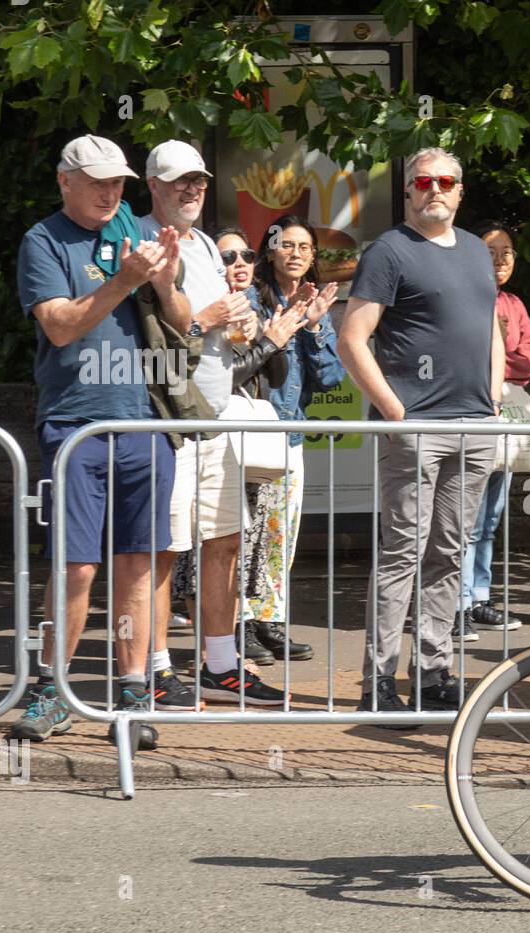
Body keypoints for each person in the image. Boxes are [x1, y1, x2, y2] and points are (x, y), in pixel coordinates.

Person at [11, 135, 188, 744]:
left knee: (137, 563)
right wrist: (123, 279)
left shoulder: (139, 229)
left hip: (145, 421)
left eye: (117, 182)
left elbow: (184, 324)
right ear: (66, 181)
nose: (111, 193)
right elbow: (60, 327)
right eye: (97, 182)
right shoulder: (43, 240)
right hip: (77, 423)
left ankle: (133, 694)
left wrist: (162, 281)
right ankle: (51, 689)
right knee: (77, 567)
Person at [338, 147, 503, 718]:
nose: (435, 189)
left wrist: (496, 394)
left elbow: (491, 327)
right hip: (418, 426)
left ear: (460, 190)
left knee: (450, 553)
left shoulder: (479, 251)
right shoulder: (389, 251)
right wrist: (393, 409)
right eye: (423, 181)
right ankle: (378, 681)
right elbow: (352, 336)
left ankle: (433, 672)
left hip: (475, 425)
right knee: (402, 554)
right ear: (408, 191)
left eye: (446, 181)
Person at [137, 140, 292, 709]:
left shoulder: (203, 243)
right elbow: (157, 329)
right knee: (164, 549)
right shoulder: (140, 238)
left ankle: (221, 664)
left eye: (199, 179)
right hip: (169, 421)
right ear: (153, 184)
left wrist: (241, 326)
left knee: (224, 541)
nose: (193, 189)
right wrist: (209, 320)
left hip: (218, 416)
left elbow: (215, 329)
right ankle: (153, 669)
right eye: (180, 181)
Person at [169, 225, 314, 667]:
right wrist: (269, 340)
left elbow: (275, 376)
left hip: (252, 444)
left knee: (244, 550)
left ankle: (230, 646)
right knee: (205, 550)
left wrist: (274, 332)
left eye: (247, 257)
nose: (239, 266)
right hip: (214, 438)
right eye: (228, 259)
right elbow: (216, 379)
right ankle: (212, 652)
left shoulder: (256, 307)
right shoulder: (199, 311)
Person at [240, 214, 344, 662]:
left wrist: (316, 326)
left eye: (305, 247)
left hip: (290, 435)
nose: (296, 253)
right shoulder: (250, 298)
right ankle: (238, 623)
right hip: (249, 429)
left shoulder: (314, 303)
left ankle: (270, 621)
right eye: (287, 245)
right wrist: (275, 332)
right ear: (269, 250)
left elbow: (332, 379)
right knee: (246, 533)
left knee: (281, 535)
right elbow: (243, 363)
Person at [455, 220, 530, 640]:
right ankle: (455, 605)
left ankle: (480, 597)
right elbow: (464, 358)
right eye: (490, 250)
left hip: (504, 419)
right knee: (463, 519)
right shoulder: (461, 297)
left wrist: (498, 358)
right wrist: (500, 355)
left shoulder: (514, 303)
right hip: (470, 416)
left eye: (506, 251)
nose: (500, 259)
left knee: (489, 519)